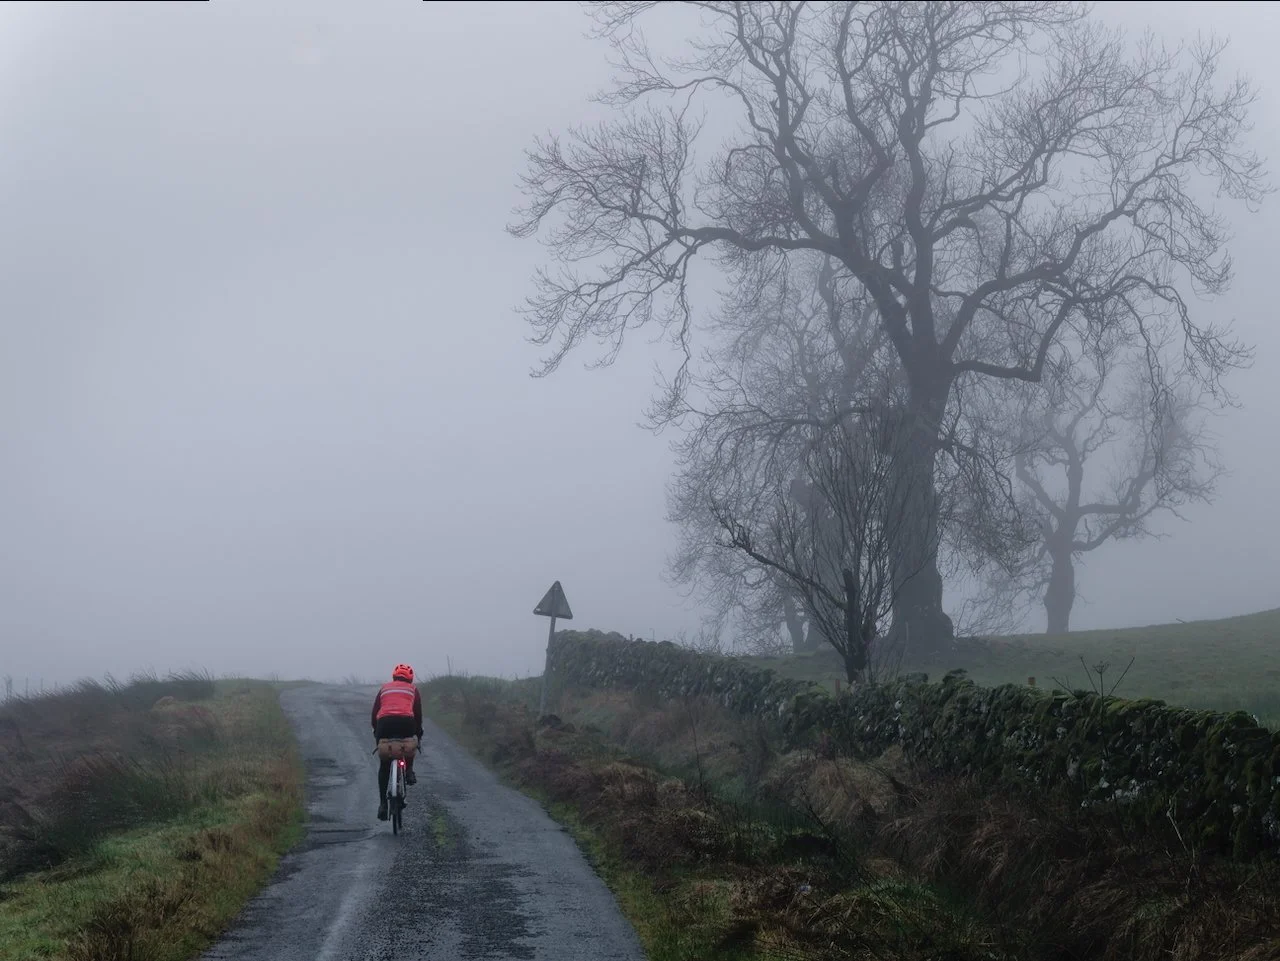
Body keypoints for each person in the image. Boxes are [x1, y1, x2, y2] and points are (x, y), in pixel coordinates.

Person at [371, 663, 422, 821]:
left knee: (384, 765)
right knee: (409, 743)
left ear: (394, 676)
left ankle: (382, 805)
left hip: (384, 724)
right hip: (406, 723)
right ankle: (409, 771)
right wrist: (418, 734)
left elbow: (375, 713)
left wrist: (376, 732)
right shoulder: (413, 689)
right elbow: (418, 715)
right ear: (410, 678)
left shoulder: (384, 688)